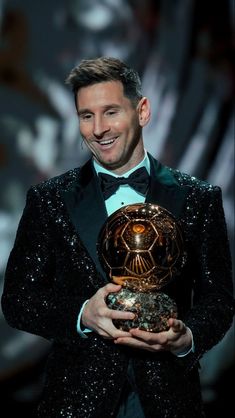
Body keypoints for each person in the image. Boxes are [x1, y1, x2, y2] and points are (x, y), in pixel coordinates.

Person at [1, 57, 234, 418]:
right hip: (77, 402)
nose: (98, 129)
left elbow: (217, 299)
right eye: (86, 115)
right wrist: (82, 314)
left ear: (142, 111)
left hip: (168, 402)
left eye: (110, 112)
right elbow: (18, 301)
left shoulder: (199, 198)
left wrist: (188, 338)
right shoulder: (48, 200)